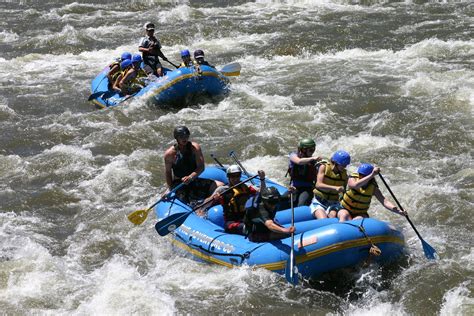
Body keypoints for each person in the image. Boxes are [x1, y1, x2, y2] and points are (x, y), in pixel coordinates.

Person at [164, 126, 220, 203]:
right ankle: (200, 207)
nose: (184, 138)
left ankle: (210, 201)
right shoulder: (170, 154)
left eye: (186, 136)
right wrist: (170, 188)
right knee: (191, 200)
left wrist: (191, 177)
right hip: (180, 183)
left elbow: (201, 167)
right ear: (176, 138)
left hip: (193, 179)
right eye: (181, 136)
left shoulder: (195, 148)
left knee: (219, 185)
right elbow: (168, 172)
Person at [204, 165, 265, 235]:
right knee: (248, 228)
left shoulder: (246, 187)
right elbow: (206, 204)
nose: (235, 178)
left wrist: (262, 179)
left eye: (237, 175)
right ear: (228, 177)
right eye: (232, 176)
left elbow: (262, 193)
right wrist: (213, 199)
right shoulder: (222, 190)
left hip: (246, 219)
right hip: (231, 222)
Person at [338, 163, 407, 222]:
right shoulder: (352, 178)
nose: (360, 176)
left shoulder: (373, 187)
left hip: (360, 213)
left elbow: (384, 201)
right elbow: (355, 185)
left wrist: (398, 211)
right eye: (360, 174)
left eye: (363, 175)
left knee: (358, 220)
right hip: (345, 208)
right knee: (344, 215)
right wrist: (372, 175)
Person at [310, 150, 350, 219]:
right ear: (336, 163)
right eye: (343, 165)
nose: (344, 167)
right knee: (323, 219)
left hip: (333, 203)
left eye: (345, 165)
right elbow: (318, 184)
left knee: (333, 216)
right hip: (319, 201)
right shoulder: (324, 167)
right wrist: (335, 188)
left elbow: (344, 192)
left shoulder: (344, 175)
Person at [287, 138, 323, 206]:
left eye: (313, 149)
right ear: (303, 149)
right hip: (294, 187)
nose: (312, 152)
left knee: (301, 204)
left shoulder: (314, 162)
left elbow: (317, 178)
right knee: (280, 200)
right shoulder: (293, 155)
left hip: (307, 188)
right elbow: (299, 161)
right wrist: (313, 158)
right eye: (311, 150)